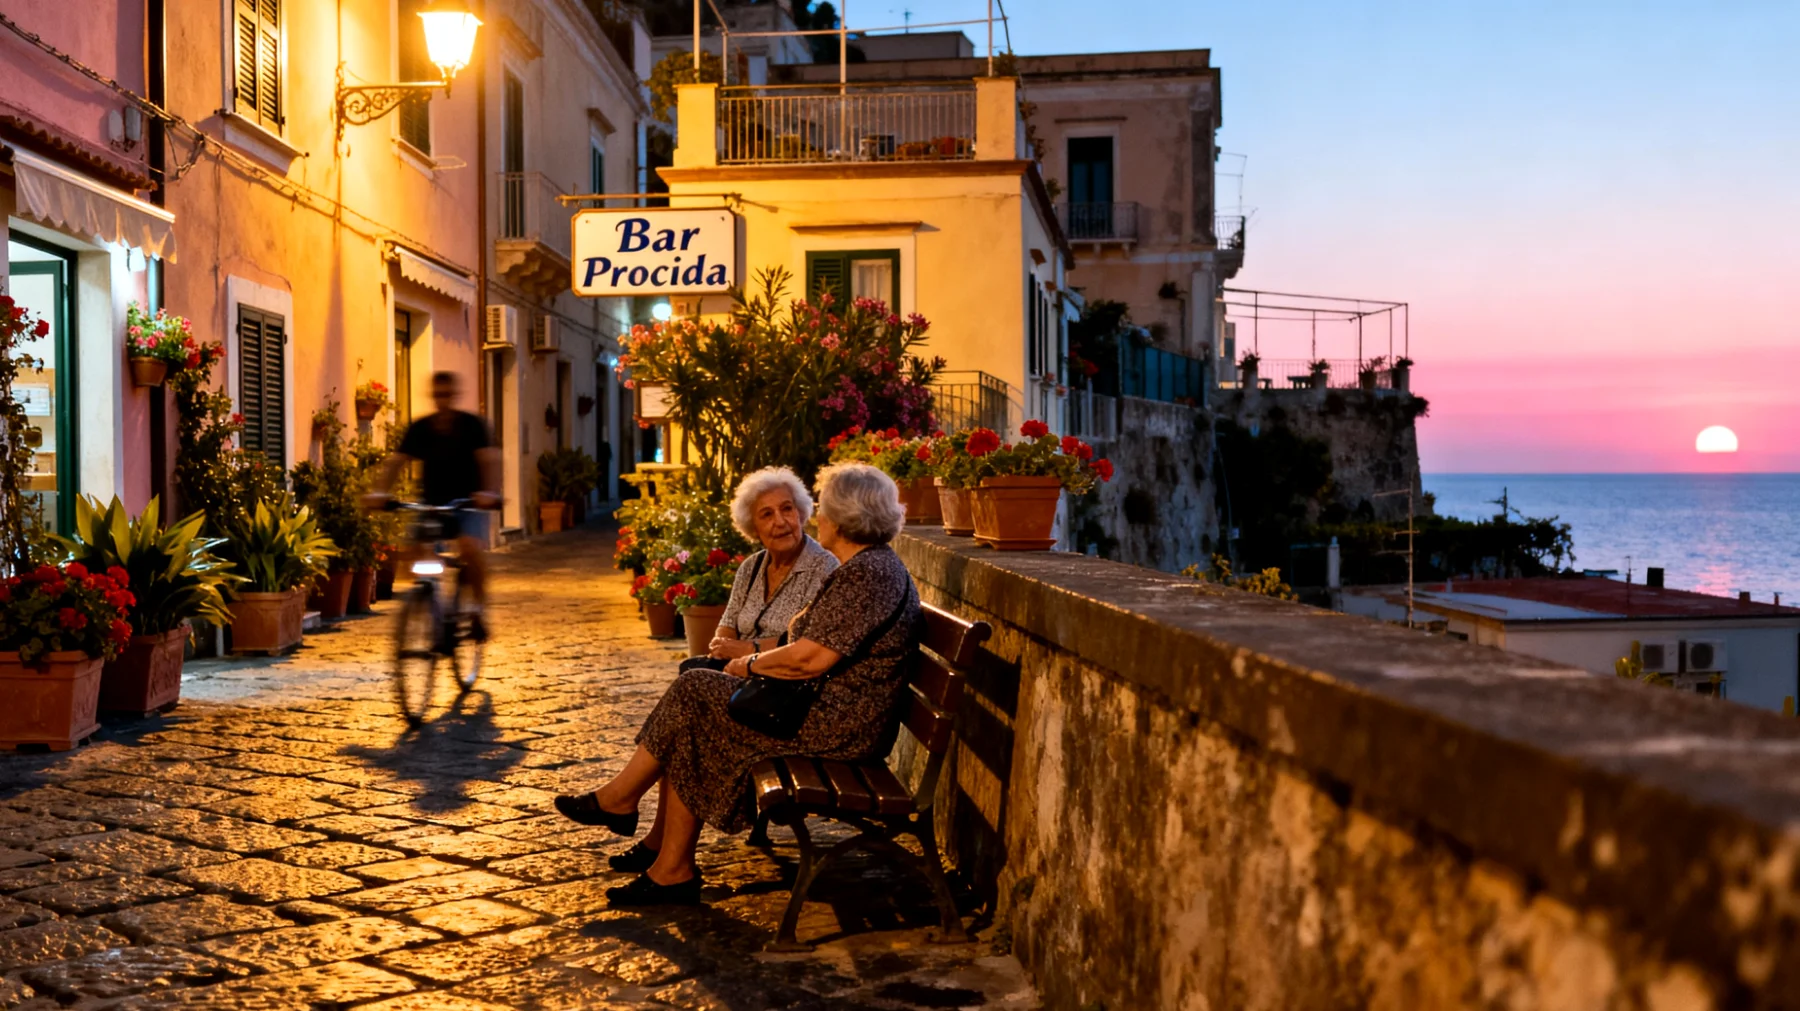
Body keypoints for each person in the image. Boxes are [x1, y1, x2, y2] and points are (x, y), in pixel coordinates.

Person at [553, 463, 921, 906]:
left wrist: (747, 665)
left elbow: (809, 657)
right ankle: (665, 858)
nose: (814, 517)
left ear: (843, 519)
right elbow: (807, 647)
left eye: (818, 508)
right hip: (826, 712)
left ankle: (631, 813)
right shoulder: (865, 567)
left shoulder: (868, 573)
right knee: (695, 699)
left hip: (837, 728)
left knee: (695, 696)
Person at [366, 371, 502, 636]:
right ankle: (430, 602)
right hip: (431, 504)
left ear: (454, 396)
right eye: (438, 395)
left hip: (468, 503)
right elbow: (396, 461)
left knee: (470, 548)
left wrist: (490, 493)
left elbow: (489, 460)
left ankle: (477, 608)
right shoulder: (421, 428)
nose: (443, 400)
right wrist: (379, 492)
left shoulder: (472, 426)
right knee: (414, 550)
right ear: (433, 396)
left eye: (447, 395)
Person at [707, 467, 838, 661]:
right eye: (767, 514)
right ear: (754, 528)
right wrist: (722, 647)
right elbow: (728, 624)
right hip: (736, 670)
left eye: (786, 508)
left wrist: (747, 650)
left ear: (800, 513)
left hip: (782, 675)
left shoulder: (824, 567)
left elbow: (809, 642)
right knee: (692, 670)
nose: (780, 521)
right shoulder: (751, 567)